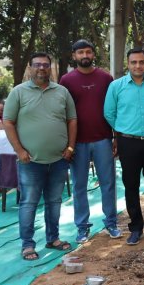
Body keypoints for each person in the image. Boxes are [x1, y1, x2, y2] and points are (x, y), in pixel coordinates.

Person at [3, 52, 77, 260]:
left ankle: (53, 239)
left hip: (59, 160)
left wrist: (70, 148)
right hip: (30, 161)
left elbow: (72, 120)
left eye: (46, 65)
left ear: (50, 68)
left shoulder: (62, 92)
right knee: (29, 203)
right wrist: (19, 150)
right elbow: (8, 122)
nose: (42, 68)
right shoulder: (18, 92)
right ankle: (27, 245)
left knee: (54, 201)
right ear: (30, 67)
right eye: (37, 65)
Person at [104, 48, 144, 245]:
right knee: (130, 185)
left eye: (141, 62)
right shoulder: (116, 86)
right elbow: (109, 113)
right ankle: (135, 227)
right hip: (127, 142)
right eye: (134, 62)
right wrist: (124, 128)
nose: (138, 66)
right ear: (128, 64)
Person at [60, 39, 121, 243]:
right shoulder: (66, 81)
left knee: (108, 183)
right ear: (74, 56)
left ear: (93, 54)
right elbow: (63, 113)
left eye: (88, 52)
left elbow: (113, 109)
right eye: (80, 53)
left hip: (103, 139)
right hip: (77, 143)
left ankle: (111, 222)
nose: (84, 56)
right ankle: (82, 227)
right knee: (79, 186)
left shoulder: (106, 78)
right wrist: (68, 143)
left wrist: (115, 136)